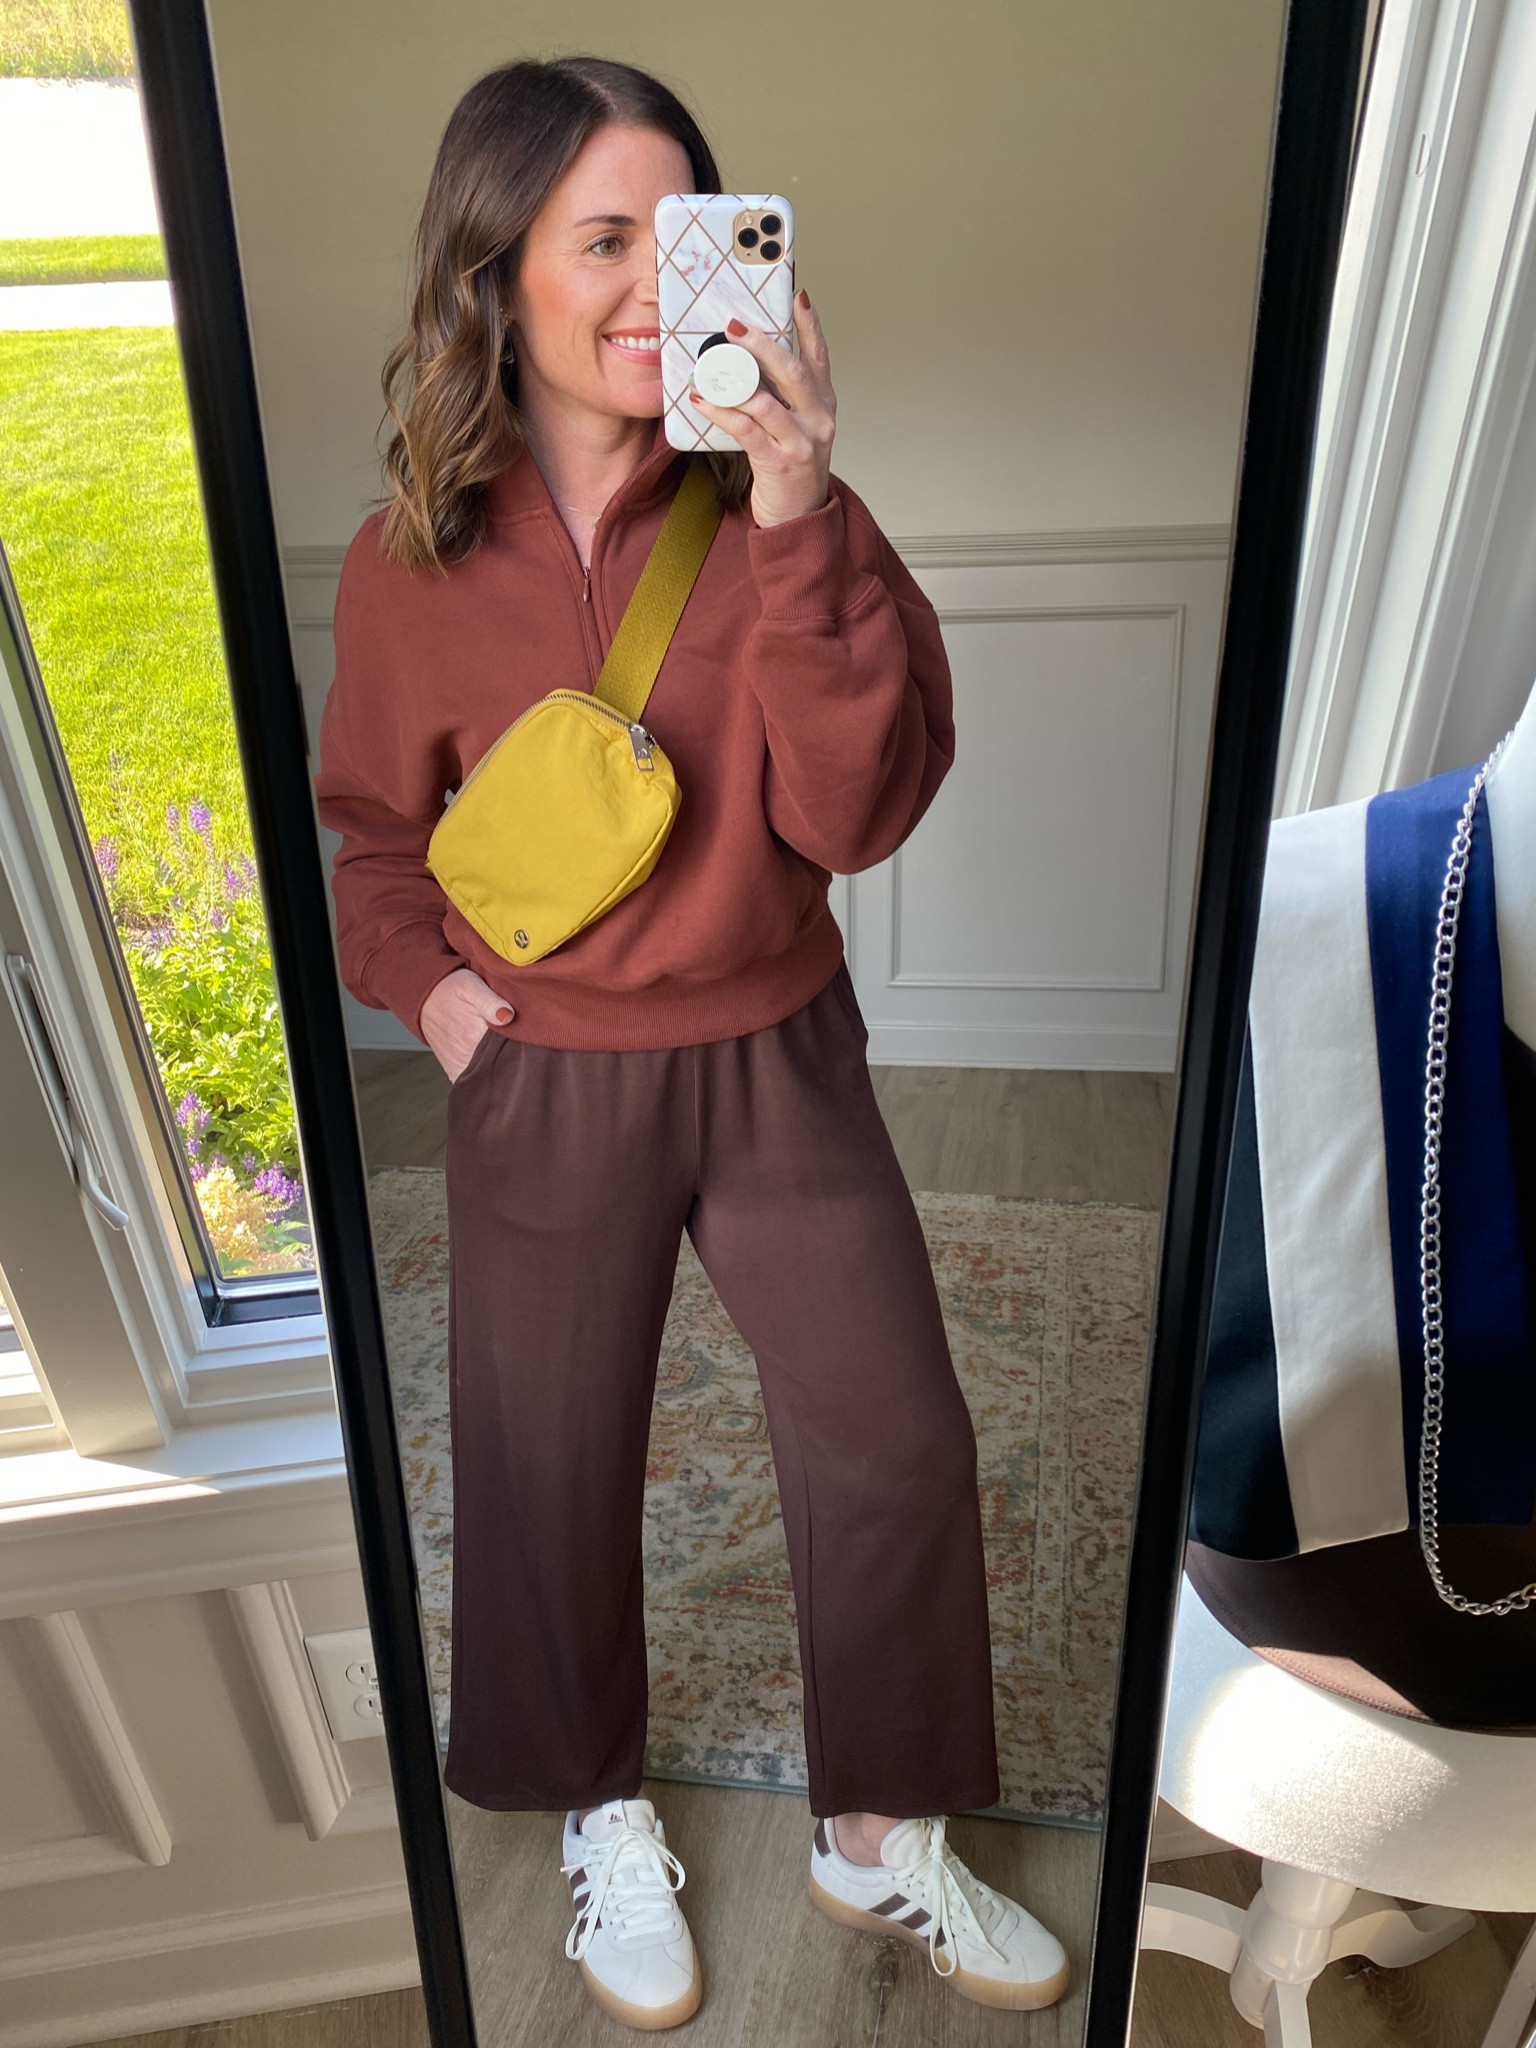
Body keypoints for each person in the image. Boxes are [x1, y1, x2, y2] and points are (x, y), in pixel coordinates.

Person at [316, 53, 1069, 2031]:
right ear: (496, 276)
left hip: (778, 1054)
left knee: (898, 1439)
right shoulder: (409, 561)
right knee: (547, 1458)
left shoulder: (792, 518)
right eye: (601, 243)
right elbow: (375, 844)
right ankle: (599, 1810)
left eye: (687, 234)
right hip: (543, 1074)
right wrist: (446, 1001)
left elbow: (860, 815)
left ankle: (875, 1837)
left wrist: (800, 510)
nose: (656, 286)